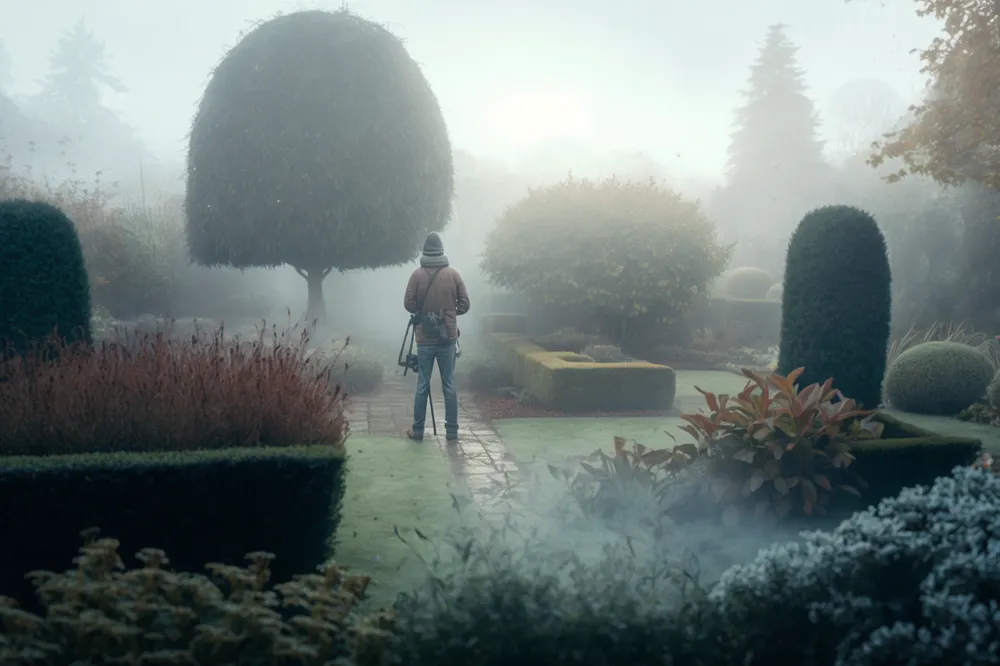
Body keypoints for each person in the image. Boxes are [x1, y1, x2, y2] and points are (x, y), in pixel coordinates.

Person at [403, 231, 471, 442]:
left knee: (423, 384)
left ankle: (417, 430)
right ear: (441, 251)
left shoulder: (416, 275)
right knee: (449, 383)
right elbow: (465, 304)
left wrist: (423, 312)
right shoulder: (453, 275)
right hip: (447, 338)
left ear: (425, 251)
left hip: (425, 338)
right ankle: (452, 431)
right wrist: (450, 313)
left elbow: (408, 304)